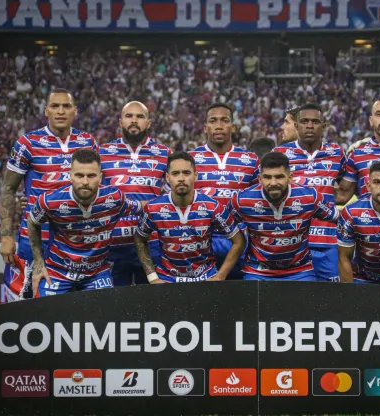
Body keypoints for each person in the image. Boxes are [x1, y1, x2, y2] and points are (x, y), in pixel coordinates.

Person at [0, 88, 98, 300]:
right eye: (55, 106)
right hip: (35, 239)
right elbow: (8, 188)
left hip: (76, 240)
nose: (60, 111)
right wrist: (6, 235)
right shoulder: (27, 143)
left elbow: (97, 185)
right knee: (28, 304)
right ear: (46, 111)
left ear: (75, 111)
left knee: (74, 309)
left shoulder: (88, 142)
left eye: (66, 106)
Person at [27, 149, 142, 297]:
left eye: (91, 176)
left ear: (100, 178)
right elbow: (32, 222)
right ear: (70, 176)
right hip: (58, 271)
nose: (85, 182)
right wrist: (38, 262)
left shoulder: (114, 198)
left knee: (105, 317)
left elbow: (141, 207)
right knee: (46, 316)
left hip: (97, 273)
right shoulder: (50, 201)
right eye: (79, 175)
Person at [133, 152, 246, 283]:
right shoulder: (153, 208)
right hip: (168, 280)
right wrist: (152, 277)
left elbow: (239, 241)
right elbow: (139, 239)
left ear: (195, 176)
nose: (181, 178)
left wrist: (220, 276)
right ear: (168, 177)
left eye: (186, 173)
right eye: (175, 174)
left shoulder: (213, 207)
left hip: (205, 278)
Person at [230, 152, 339, 281]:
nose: (273, 182)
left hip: (300, 271)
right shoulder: (242, 200)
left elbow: (338, 218)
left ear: (290, 177)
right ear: (259, 179)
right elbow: (225, 227)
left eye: (279, 177)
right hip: (258, 271)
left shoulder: (310, 197)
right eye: (267, 177)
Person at [99, 101, 171, 286]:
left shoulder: (164, 153)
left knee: (149, 303)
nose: (134, 120)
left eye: (140, 117)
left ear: (148, 123)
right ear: (120, 121)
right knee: (112, 304)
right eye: (129, 116)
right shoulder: (102, 152)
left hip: (151, 242)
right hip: (113, 243)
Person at [274, 103, 346, 282]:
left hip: (328, 243)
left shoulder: (336, 152)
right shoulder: (280, 153)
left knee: (332, 300)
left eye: (315, 122)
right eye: (305, 121)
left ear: (323, 126)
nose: (310, 125)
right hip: (293, 243)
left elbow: (346, 190)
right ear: (297, 126)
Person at [189, 103, 259, 279]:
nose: (219, 126)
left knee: (240, 296)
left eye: (224, 120)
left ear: (233, 126)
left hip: (240, 239)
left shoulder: (250, 160)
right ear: (205, 127)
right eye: (213, 121)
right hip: (202, 238)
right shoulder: (190, 159)